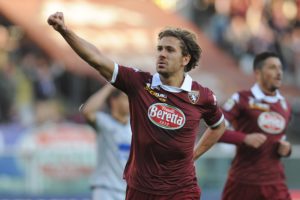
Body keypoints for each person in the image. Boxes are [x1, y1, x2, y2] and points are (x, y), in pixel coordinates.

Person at [48, 11, 225, 199]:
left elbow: (218, 126)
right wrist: (65, 31)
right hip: (141, 189)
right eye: (160, 49)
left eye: (170, 50)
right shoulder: (140, 83)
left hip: (181, 190)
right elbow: (97, 59)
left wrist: (195, 154)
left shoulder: (202, 96)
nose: (162, 54)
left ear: (185, 59)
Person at [218, 52, 292, 200]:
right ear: (258, 73)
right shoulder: (241, 98)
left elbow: (281, 138)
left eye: (280, 68)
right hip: (243, 182)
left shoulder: (284, 105)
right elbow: (214, 130)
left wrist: (287, 149)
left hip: (275, 183)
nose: (279, 73)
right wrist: (243, 138)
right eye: (272, 68)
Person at [79, 84, 131, 200]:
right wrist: (109, 86)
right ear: (114, 101)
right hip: (105, 189)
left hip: (127, 190)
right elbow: (87, 111)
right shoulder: (104, 122)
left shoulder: (134, 127)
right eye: (125, 98)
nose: (129, 102)